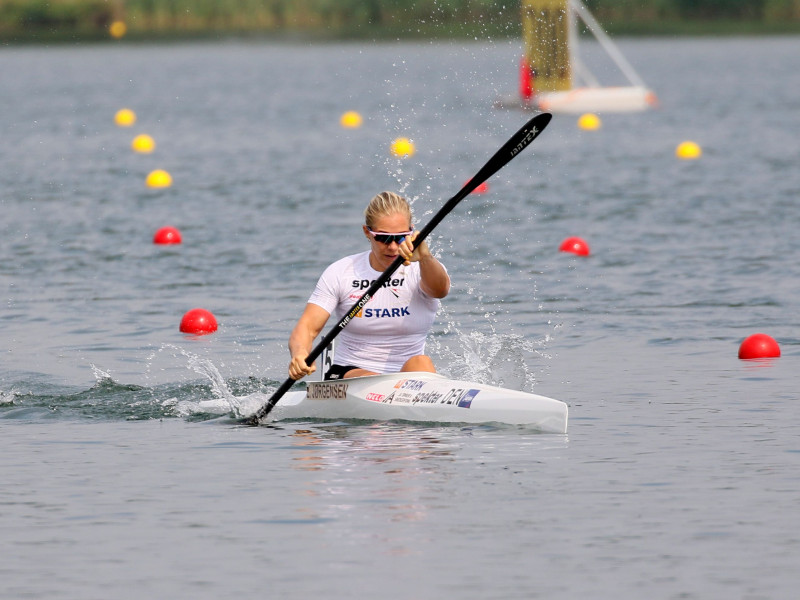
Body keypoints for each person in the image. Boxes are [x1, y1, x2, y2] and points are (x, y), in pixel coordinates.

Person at [288, 191, 450, 381]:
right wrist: (300, 353)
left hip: (408, 375)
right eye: (383, 238)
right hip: (350, 372)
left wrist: (425, 258)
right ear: (367, 232)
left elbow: (440, 290)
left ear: (411, 232)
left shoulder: (422, 268)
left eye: (400, 238)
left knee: (422, 362)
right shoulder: (341, 271)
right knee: (376, 378)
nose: (392, 247)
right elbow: (307, 327)